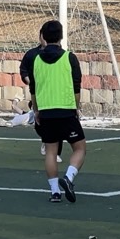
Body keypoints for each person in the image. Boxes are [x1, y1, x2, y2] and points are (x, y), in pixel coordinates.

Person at [26, 20, 86, 203]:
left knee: (51, 152)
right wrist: (76, 108)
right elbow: (76, 87)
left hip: (45, 112)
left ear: (43, 37)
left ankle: (54, 192)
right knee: (80, 148)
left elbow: (33, 90)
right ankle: (68, 177)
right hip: (66, 110)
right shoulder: (69, 58)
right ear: (61, 36)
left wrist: (36, 110)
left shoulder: (36, 60)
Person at [18, 32, 61, 163]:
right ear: (40, 37)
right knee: (40, 123)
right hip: (39, 95)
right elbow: (24, 70)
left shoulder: (62, 55)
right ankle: (45, 139)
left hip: (56, 94)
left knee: (57, 122)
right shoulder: (32, 54)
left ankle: (55, 152)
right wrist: (32, 83)